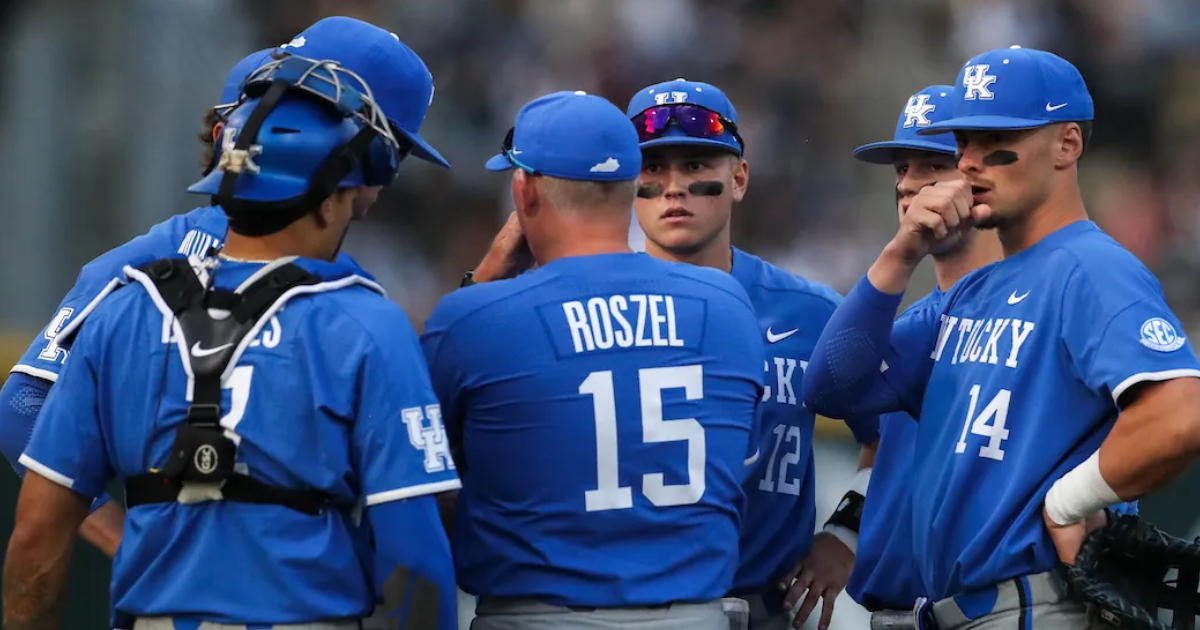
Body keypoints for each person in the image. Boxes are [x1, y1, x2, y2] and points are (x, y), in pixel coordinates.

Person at [3, 55, 459, 630]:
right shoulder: (364, 320)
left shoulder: (125, 307)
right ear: (327, 198)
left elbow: (37, 540)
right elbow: (414, 560)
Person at [802, 46, 1200, 629]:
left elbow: (1180, 413)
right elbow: (830, 389)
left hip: (1036, 603)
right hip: (954, 611)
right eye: (963, 143)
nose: (970, 163)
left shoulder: (1086, 267)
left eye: (995, 140)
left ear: (1067, 144)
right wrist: (900, 252)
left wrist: (1068, 502)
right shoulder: (970, 293)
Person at [421, 90, 765, 630]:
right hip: (692, 615)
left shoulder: (474, 318)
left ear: (524, 189)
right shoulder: (726, 304)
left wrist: (483, 280)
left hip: (533, 616)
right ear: (633, 186)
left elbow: (415, 469)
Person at [622, 78, 879, 630]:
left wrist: (845, 532)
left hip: (762, 608)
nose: (674, 187)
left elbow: (896, 431)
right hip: (622, 609)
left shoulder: (811, 313)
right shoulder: (593, 308)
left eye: (696, 166)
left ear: (738, 177)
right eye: (654, 168)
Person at [845, 85, 1003, 625]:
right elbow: (837, 401)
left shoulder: (1038, 314)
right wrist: (844, 525)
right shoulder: (907, 328)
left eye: (933, 166)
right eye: (902, 168)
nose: (908, 184)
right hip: (894, 612)